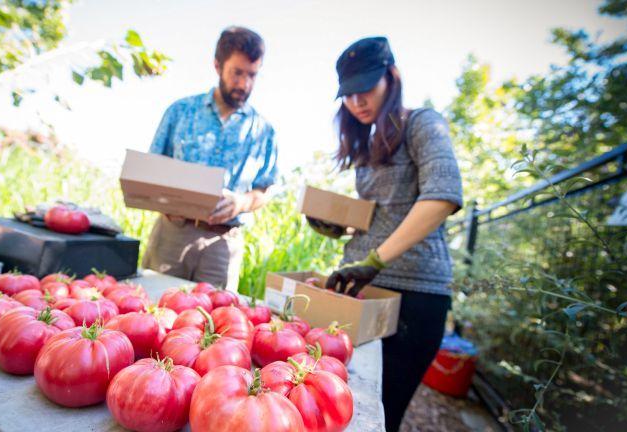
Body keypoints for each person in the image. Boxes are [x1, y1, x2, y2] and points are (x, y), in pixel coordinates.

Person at [308, 37, 463, 432]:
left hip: (414, 295)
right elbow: (386, 216)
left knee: (381, 414)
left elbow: (442, 197)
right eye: (348, 94)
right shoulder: (368, 143)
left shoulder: (423, 123)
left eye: (367, 89)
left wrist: (374, 260)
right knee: (345, 403)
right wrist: (339, 227)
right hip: (365, 288)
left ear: (391, 78)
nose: (357, 101)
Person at [142, 26, 277, 292]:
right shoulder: (180, 111)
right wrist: (164, 198)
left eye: (252, 75)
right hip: (172, 234)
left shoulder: (263, 131)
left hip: (223, 245)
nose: (244, 84)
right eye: (237, 73)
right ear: (217, 66)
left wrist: (241, 202)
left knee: (214, 323)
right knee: (152, 307)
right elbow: (151, 169)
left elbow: (267, 188)